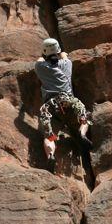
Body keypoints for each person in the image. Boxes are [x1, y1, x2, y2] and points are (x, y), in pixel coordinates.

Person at [34, 37, 91, 170]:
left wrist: (45, 56)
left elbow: (40, 60)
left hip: (51, 107)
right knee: (84, 119)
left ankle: (51, 155)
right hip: (69, 102)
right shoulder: (67, 64)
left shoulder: (41, 67)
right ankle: (82, 134)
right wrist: (59, 53)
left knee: (49, 136)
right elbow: (64, 55)